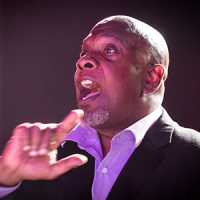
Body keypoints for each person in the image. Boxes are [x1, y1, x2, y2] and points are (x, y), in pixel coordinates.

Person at [0, 15, 200, 200]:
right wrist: (5, 182)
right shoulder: (44, 153)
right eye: (84, 52)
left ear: (151, 78)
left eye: (109, 50)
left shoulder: (193, 157)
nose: (82, 61)